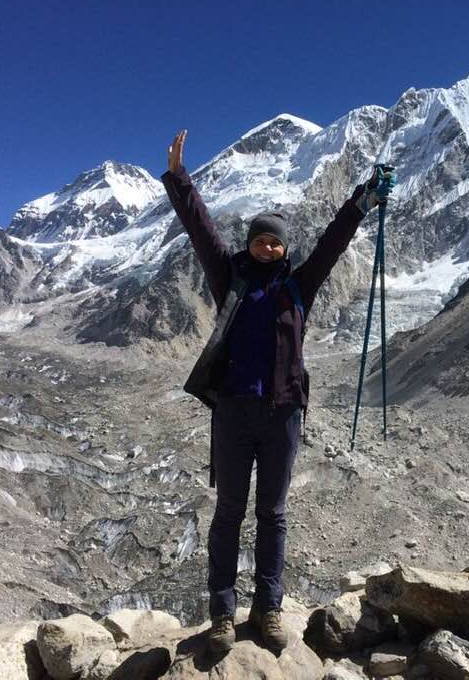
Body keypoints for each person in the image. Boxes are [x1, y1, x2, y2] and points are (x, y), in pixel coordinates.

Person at [160, 129, 395, 653]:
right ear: (249, 244)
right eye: (260, 238)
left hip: (284, 414)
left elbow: (334, 241)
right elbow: (201, 231)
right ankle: (222, 613)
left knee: (274, 514)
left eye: (275, 240)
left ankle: (267, 609)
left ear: (285, 248)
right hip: (235, 412)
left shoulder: (298, 286)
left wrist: (362, 201)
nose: (268, 246)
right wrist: (180, 180)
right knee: (228, 513)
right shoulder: (230, 279)